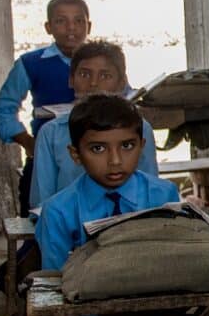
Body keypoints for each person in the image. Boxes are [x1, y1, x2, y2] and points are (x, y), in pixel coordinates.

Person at [35, 94, 179, 271]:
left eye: (127, 146)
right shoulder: (58, 212)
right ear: (76, 154)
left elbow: (175, 262)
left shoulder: (164, 195)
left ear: (141, 147)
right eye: (98, 148)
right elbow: (54, 279)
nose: (115, 161)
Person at [0, 0, 91, 216]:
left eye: (78, 21)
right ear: (48, 27)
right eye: (61, 21)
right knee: (41, 217)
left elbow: (123, 99)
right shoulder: (31, 63)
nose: (71, 28)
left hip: (96, 157)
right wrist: (28, 142)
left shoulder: (103, 61)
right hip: (46, 157)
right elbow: (3, 110)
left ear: (89, 26)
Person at [30, 40, 160, 208]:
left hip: (130, 226)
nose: (93, 83)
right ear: (71, 79)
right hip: (70, 227)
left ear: (122, 83)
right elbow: (42, 202)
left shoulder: (141, 129)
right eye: (84, 74)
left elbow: (150, 192)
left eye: (105, 76)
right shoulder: (51, 133)